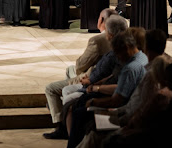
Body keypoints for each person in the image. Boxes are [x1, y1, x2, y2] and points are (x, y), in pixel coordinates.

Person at [43, 9, 117, 139]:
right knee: (69, 70)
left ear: (102, 21)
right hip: (102, 75)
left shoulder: (98, 40)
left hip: (92, 78)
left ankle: (62, 125)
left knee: (51, 88)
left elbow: (81, 65)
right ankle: (65, 108)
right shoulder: (128, 39)